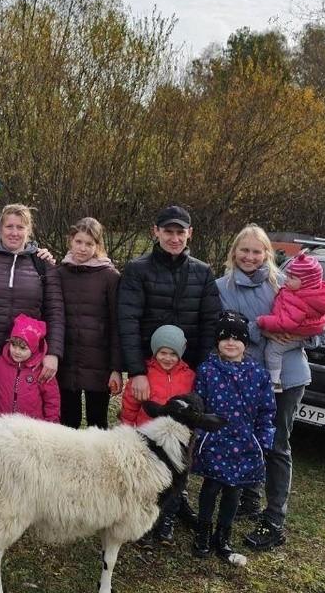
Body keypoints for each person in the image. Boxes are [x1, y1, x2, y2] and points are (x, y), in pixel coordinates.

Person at [118, 204, 221, 525]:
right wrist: (136, 371)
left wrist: (201, 377)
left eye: (180, 232)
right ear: (156, 232)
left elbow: (209, 325)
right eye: (168, 231)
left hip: (186, 374)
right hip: (149, 369)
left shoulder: (202, 273)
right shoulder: (137, 270)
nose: (174, 238)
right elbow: (128, 320)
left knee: (182, 438)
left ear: (189, 234)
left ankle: (176, 499)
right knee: (144, 431)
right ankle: (136, 497)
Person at [215, 224, 310, 550]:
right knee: (245, 437)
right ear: (234, 252)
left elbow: (320, 330)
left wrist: (298, 333)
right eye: (245, 250)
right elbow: (227, 329)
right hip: (245, 377)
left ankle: (274, 520)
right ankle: (248, 499)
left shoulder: (286, 284)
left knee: (277, 446)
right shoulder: (221, 287)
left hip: (289, 378)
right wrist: (268, 328)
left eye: (257, 251)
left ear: (267, 254)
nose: (250, 257)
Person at [0, 204, 65, 439]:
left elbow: (55, 311)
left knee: (20, 427)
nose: (14, 232)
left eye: (20, 227)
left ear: (28, 231)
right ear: (0, 228)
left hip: (26, 361)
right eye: (9, 226)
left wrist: (53, 354)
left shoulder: (42, 264)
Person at [192, 311, 276, 565]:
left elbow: (267, 410)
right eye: (225, 337)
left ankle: (223, 536)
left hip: (244, 443)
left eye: (237, 338)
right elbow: (198, 404)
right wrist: (200, 433)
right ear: (217, 341)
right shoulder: (208, 370)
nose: (231, 343)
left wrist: (263, 440)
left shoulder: (259, 374)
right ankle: (203, 533)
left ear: (245, 343)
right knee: (210, 487)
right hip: (215, 440)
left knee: (233, 491)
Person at [120, 324, 195, 546]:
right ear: (154, 351)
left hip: (175, 444)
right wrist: (128, 428)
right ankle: (145, 527)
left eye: (173, 353)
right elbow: (131, 404)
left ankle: (167, 523)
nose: (168, 358)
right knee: (147, 486)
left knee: (173, 486)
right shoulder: (144, 375)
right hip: (148, 441)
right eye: (163, 352)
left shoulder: (189, 376)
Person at [55, 217, 122, 429]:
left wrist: (116, 368)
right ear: (70, 241)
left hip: (99, 364)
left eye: (89, 244)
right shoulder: (59, 274)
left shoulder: (110, 277)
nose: (83, 248)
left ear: (97, 245)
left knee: (98, 423)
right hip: (66, 363)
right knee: (67, 423)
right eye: (79, 242)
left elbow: (116, 325)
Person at [257, 252, 325, 392]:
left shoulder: (297, 298)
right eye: (287, 275)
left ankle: (274, 382)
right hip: (309, 331)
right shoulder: (316, 294)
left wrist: (262, 321)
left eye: (292, 277)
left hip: (295, 333)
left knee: (273, 350)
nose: (286, 279)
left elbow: (286, 323)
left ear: (306, 282)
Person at [0, 314, 60, 422]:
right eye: (13, 345)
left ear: (34, 348)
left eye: (23, 348)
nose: (17, 351)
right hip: (1, 423)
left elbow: (52, 399)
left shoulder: (41, 370)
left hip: (32, 427)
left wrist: (52, 423)